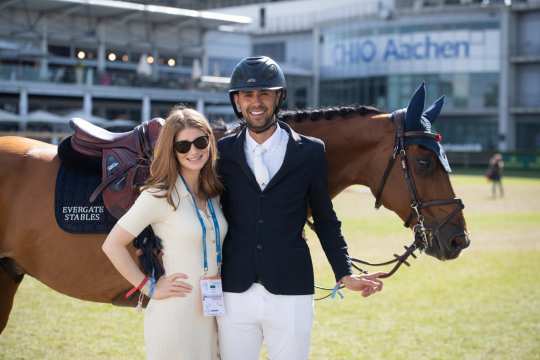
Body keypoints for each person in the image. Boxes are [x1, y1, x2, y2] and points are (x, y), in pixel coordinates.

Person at [216, 56, 384, 360]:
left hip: (292, 291)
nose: (257, 102)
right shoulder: (220, 152)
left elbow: (324, 218)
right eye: (248, 95)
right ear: (237, 101)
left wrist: (344, 273)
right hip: (233, 292)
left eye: (265, 93)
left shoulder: (310, 152)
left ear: (279, 97)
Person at [102, 106, 227, 360]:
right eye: (183, 146)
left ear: (209, 142)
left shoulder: (214, 194)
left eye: (200, 141)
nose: (193, 151)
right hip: (176, 314)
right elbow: (112, 244)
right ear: (172, 151)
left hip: (215, 311)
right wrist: (149, 287)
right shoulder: (157, 195)